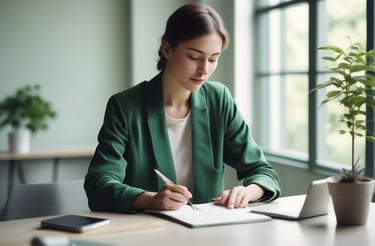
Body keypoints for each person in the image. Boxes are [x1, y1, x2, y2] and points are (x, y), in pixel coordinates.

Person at [84, 3, 281, 213]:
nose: (204, 70)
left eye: (213, 59)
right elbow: (99, 184)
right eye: (194, 57)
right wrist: (150, 199)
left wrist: (248, 191)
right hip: (147, 233)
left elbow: (263, 171)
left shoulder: (219, 99)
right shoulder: (125, 106)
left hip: (208, 232)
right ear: (167, 49)